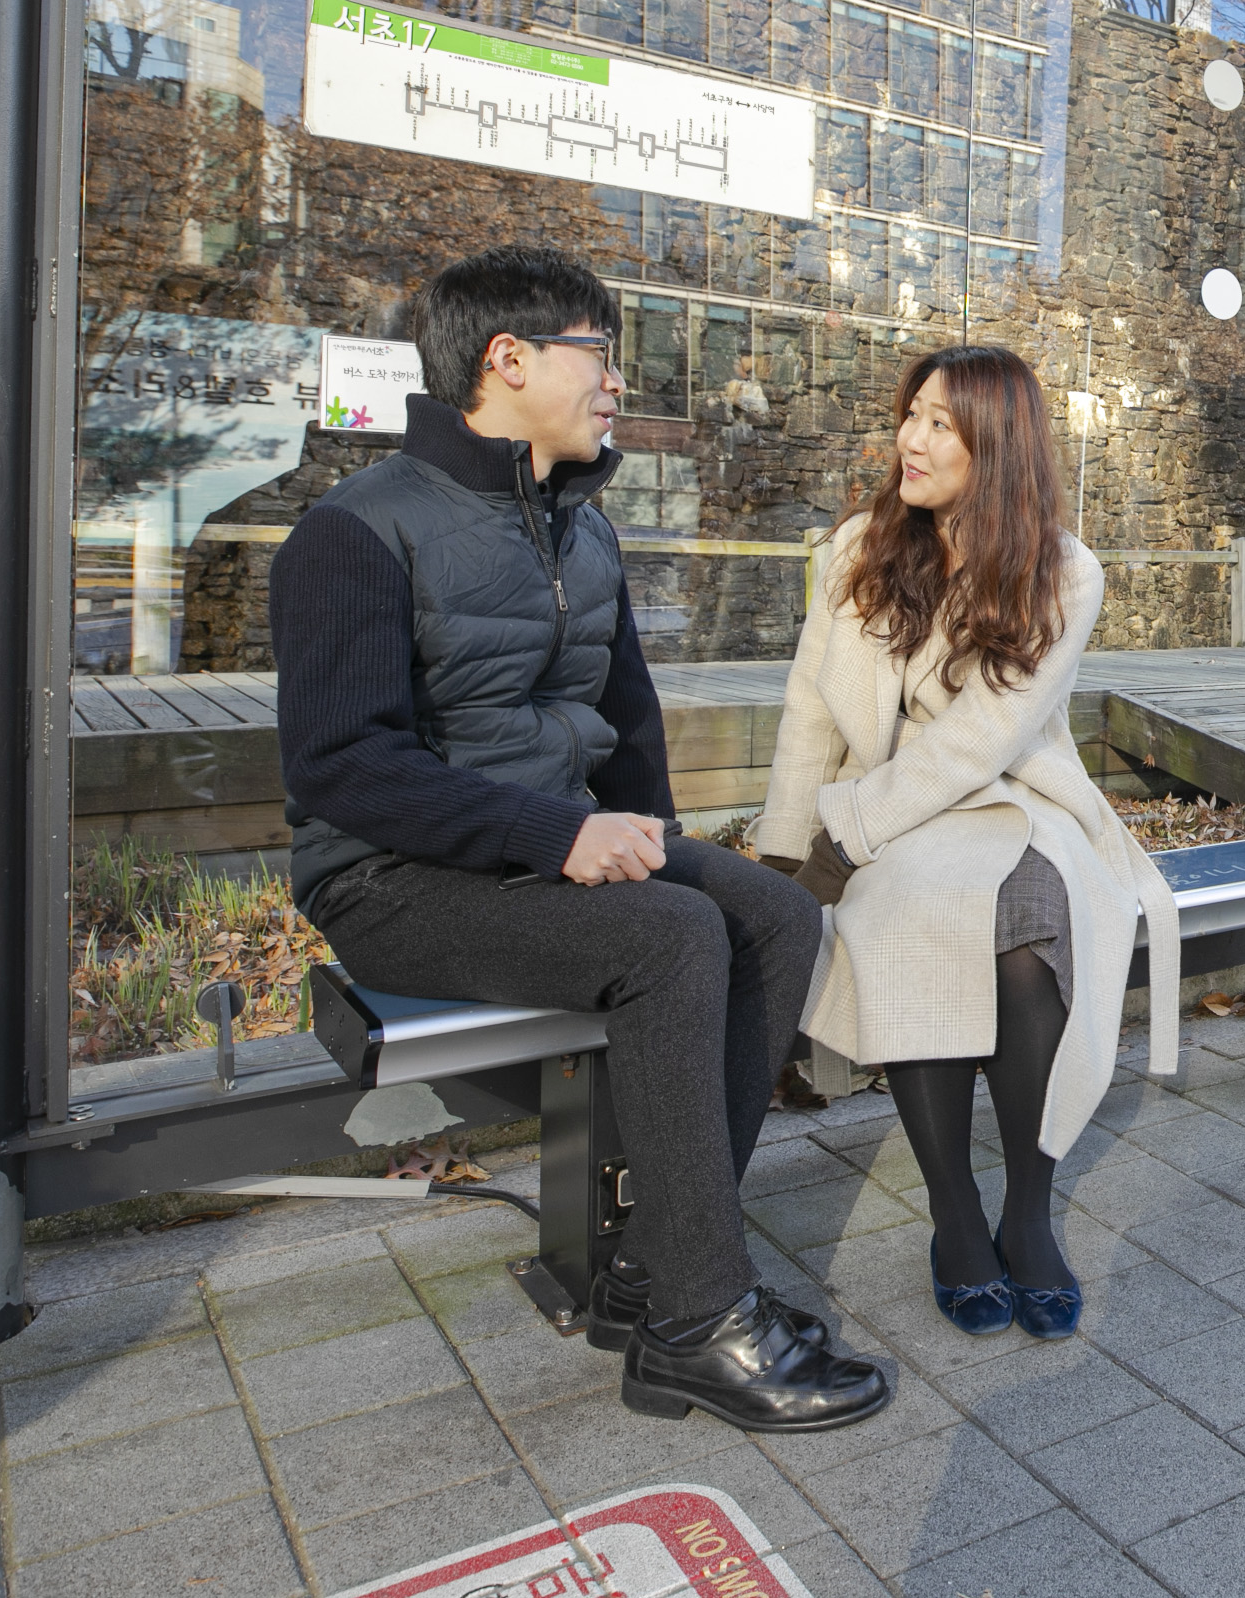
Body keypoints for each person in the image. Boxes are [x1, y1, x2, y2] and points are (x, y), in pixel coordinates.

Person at [270, 246, 888, 1433]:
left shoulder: (580, 532)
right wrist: (560, 835)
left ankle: (655, 1271)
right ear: (508, 360)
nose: (619, 382)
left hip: (533, 848)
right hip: (394, 876)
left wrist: (647, 833)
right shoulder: (357, 531)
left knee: (773, 910)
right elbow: (340, 766)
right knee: (666, 938)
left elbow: (627, 734)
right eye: (599, 353)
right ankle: (699, 1324)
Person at [756, 344, 1180, 1340]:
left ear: (998, 442)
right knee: (905, 923)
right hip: (888, 820)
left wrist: (841, 836)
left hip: (1013, 802)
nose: (911, 437)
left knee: (1031, 949)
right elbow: (808, 712)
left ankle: (1026, 1210)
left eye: (941, 422)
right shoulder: (859, 546)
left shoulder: (1063, 570)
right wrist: (787, 859)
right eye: (912, 414)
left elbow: (976, 741)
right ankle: (953, 1213)